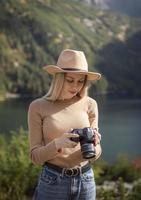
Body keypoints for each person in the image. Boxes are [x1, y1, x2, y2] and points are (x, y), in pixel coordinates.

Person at [28, 49, 102, 200]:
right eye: (70, 80)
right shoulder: (38, 106)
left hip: (86, 180)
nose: (75, 86)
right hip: (53, 182)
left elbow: (95, 154)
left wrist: (96, 145)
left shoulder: (90, 104)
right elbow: (35, 157)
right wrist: (57, 144)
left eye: (80, 81)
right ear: (59, 78)